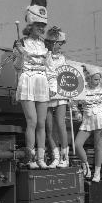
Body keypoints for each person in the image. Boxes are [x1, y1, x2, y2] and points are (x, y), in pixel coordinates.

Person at [13, 0, 49, 169]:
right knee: (32, 121)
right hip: (27, 81)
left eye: (43, 25)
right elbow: (17, 67)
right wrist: (20, 53)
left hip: (42, 82)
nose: (41, 28)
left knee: (42, 122)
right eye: (38, 25)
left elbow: (48, 68)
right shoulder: (21, 44)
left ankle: (41, 158)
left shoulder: (45, 46)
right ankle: (30, 157)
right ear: (30, 25)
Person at [72, 67, 102, 182]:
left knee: (98, 147)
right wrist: (77, 112)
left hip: (100, 118)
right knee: (77, 144)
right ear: (89, 79)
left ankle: (97, 173)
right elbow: (73, 103)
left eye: (99, 79)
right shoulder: (82, 90)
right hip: (87, 119)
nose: (97, 82)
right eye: (95, 79)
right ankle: (86, 166)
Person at [44, 26, 69, 168]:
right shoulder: (45, 56)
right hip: (47, 93)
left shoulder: (63, 58)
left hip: (60, 93)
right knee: (49, 127)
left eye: (61, 44)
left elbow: (66, 75)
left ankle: (65, 158)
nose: (60, 46)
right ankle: (55, 157)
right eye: (59, 43)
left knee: (60, 124)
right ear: (52, 43)